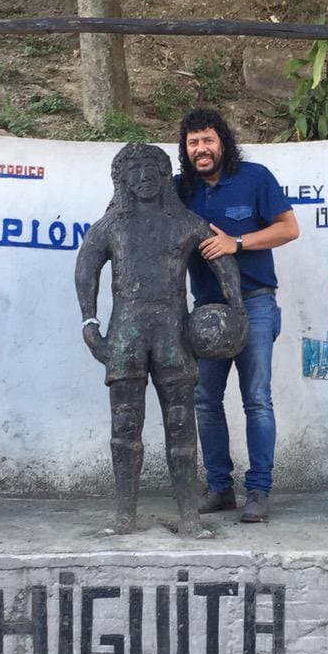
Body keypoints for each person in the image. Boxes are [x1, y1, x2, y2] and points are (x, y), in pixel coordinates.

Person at [75, 143, 243, 536]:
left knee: (182, 423)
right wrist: (89, 323)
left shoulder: (185, 223)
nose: (145, 178)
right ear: (122, 180)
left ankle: (189, 515)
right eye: (135, 171)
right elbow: (86, 268)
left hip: (173, 334)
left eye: (153, 170)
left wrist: (237, 309)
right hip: (125, 336)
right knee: (125, 423)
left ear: (165, 177)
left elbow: (222, 262)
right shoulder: (112, 225)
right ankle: (124, 516)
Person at [176, 108, 299, 523]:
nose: (201, 149)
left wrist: (238, 241)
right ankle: (220, 488)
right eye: (193, 143)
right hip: (205, 312)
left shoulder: (254, 177)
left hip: (255, 305)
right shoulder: (179, 191)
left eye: (207, 140)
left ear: (223, 142)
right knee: (205, 401)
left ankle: (259, 491)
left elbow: (288, 228)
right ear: (185, 149)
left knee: (257, 401)